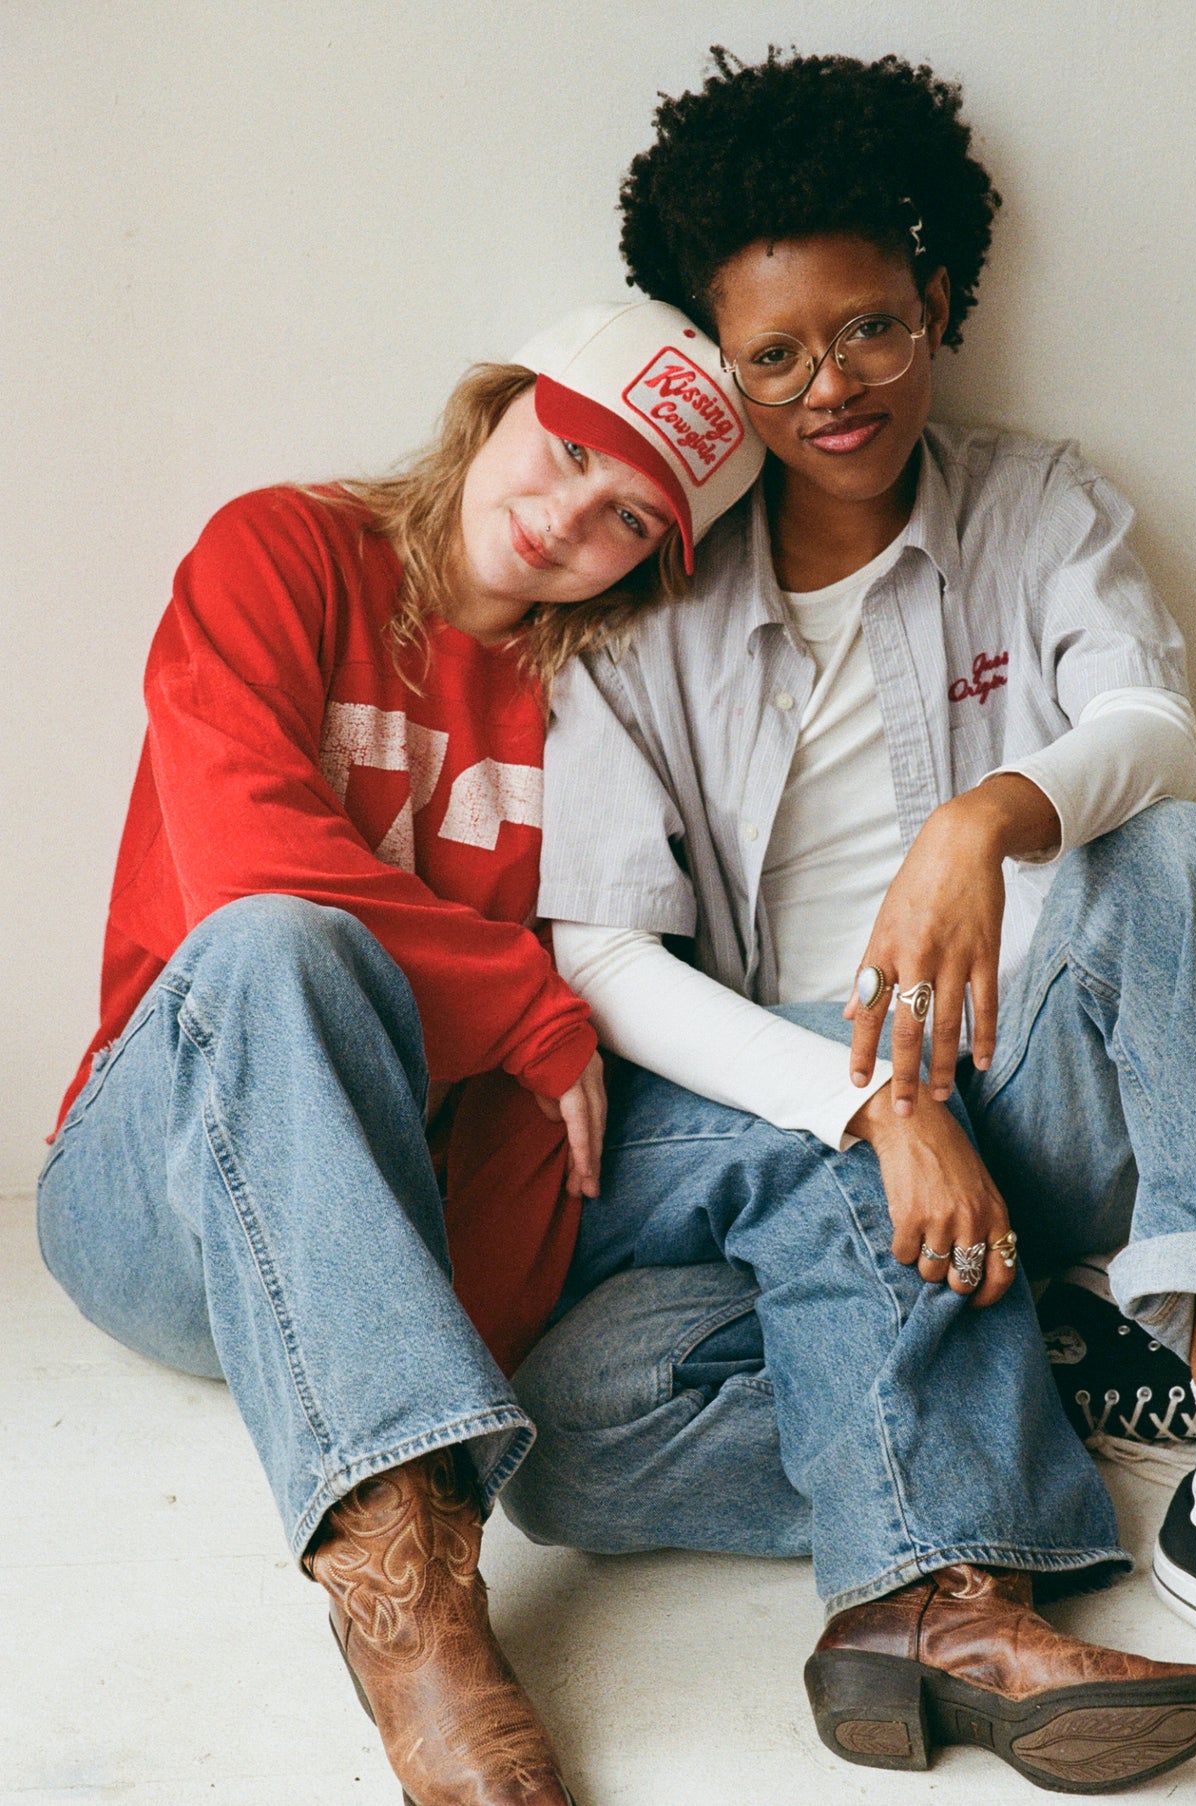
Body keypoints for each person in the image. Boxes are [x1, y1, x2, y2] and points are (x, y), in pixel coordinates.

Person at [507, 48, 1196, 1789]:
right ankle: (1065, 1387)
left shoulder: (1036, 503)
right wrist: (868, 1100)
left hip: (1025, 1086)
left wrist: (983, 817)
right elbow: (606, 957)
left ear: (937, 295)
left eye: (868, 325)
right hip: (794, 1150)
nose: (830, 385)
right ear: (722, 367)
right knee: (562, 1448)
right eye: (773, 352)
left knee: (1179, 853)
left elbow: (1148, 728)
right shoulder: (647, 598)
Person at [36, 300, 762, 1806]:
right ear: (493, 404)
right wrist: (520, 994)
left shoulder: (588, 703)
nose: (564, 518)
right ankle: (419, 1625)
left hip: (375, 1227)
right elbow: (244, 856)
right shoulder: (282, 553)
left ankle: (1018, 1410)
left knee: (722, 1136)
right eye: (561, 449)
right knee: (276, 944)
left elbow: (522, 1116)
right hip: (157, 1180)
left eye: (626, 513)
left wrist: (452, 1345)